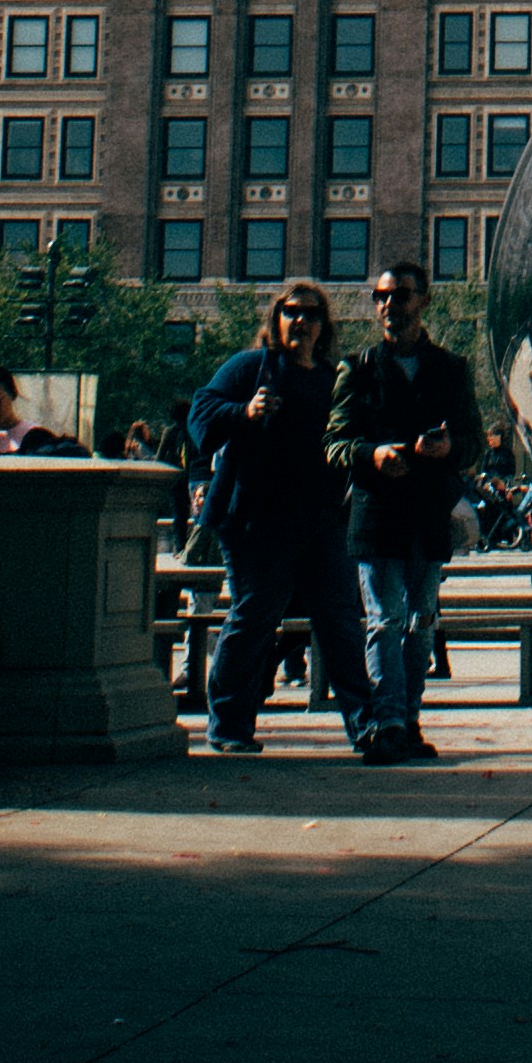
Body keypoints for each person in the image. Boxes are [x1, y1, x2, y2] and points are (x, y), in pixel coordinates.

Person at [188, 281, 373, 755]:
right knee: (254, 619)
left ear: (323, 326)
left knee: (342, 620)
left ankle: (366, 726)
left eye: (311, 314)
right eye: (291, 312)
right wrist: (242, 410)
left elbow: (353, 436)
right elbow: (200, 415)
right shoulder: (249, 368)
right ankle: (229, 726)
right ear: (277, 319)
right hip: (257, 521)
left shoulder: (334, 379)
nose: (301, 321)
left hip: (321, 520)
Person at [326, 259, 485, 763]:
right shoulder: (357, 368)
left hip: (428, 516)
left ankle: (409, 718)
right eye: (382, 296)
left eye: (401, 294)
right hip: (376, 516)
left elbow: (475, 441)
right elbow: (334, 442)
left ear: (424, 301)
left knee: (421, 623)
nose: (389, 304)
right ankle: (389, 722)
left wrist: (449, 449)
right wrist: (371, 455)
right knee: (384, 620)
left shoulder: (451, 370)